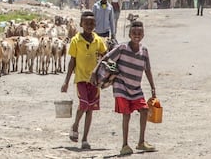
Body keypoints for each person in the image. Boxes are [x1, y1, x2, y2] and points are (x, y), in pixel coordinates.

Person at [100, 21, 157, 155]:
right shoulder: (122, 48)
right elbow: (107, 59)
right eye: (134, 33)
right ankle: (125, 145)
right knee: (127, 114)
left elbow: (147, 70)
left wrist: (153, 88)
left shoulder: (144, 51)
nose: (137, 35)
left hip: (136, 88)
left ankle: (141, 142)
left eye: (139, 33)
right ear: (130, 34)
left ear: (143, 34)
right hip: (121, 86)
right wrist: (112, 72)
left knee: (144, 110)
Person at [61, 10, 107, 150]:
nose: (89, 25)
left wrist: (113, 71)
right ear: (81, 24)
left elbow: (106, 56)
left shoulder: (98, 40)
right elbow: (72, 62)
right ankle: (75, 125)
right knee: (84, 104)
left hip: (94, 80)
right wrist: (66, 81)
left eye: (92, 23)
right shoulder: (76, 40)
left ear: (95, 24)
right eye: (86, 23)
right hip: (80, 78)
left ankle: (85, 138)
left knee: (90, 109)